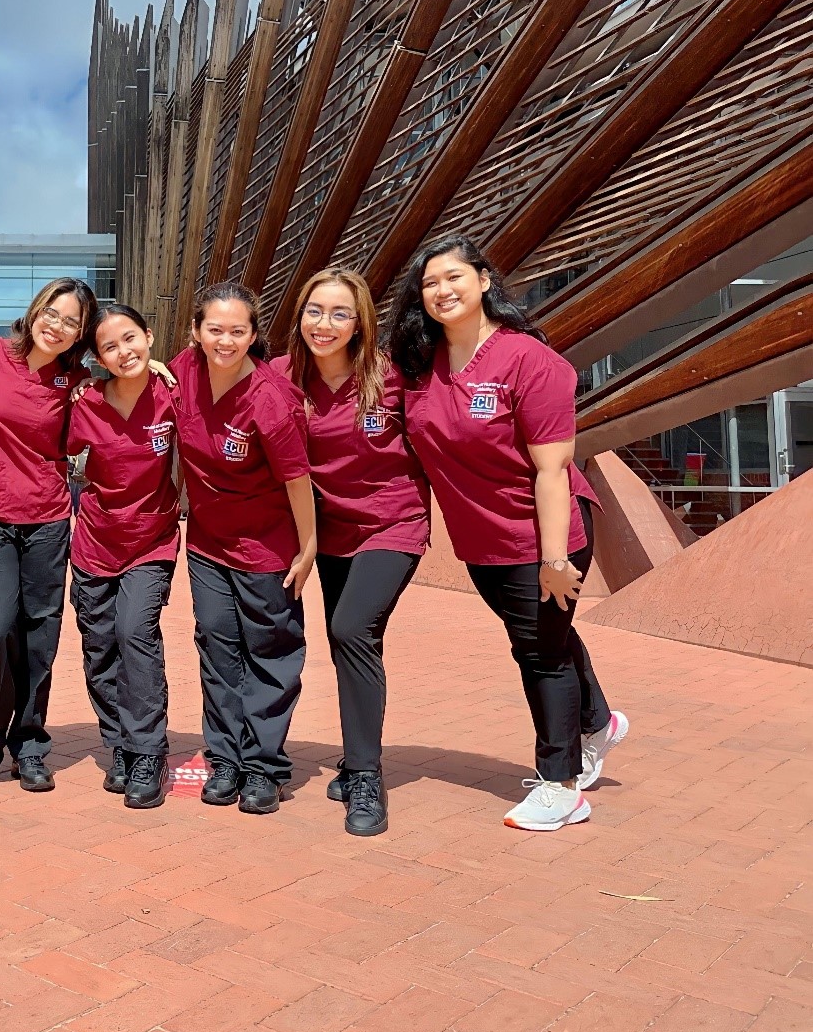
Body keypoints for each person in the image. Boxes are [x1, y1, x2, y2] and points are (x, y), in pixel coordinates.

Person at [389, 233, 629, 832]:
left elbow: (552, 469)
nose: (442, 291)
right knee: (545, 634)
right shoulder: (421, 364)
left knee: (540, 652)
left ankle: (561, 785)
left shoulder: (530, 361)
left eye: (454, 278)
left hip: (543, 533)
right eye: (430, 283)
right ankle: (598, 722)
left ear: (484, 281)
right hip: (480, 540)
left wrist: (554, 559)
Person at [273, 267, 430, 836]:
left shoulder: (390, 375)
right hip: (330, 531)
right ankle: (356, 755)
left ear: (361, 320)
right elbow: (218, 379)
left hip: (392, 523)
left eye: (341, 313)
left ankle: (366, 776)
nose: (325, 324)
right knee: (353, 645)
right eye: (315, 311)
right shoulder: (282, 377)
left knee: (350, 630)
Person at [170, 283, 316, 814]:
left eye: (237, 331)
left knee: (269, 652)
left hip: (266, 546)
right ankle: (225, 757)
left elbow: (298, 481)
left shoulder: (270, 399)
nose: (225, 340)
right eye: (215, 330)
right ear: (196, 332)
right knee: (216, 645)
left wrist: (308, 549)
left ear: (254, 336)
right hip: (209, 543)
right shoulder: (182, 370)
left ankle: (264, 766)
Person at [0, 277, 98, 795]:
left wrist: (150, 363)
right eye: (52, 313)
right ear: (36, 310)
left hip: (47, 518)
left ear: (81, 333)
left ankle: (31, 744)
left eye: (72, 321)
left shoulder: (76, 380)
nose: (58, 326)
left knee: (40, 634)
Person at [66, 305, 181, 809]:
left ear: (149, 336)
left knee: (136, 633)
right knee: (100, 645)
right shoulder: (86, 402)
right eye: (110, 347)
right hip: (94, 541)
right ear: (98, 358)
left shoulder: (173, 393)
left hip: (152, 541)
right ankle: (118, 743)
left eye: (131, 339)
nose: (124, 352)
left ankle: (147, 750)